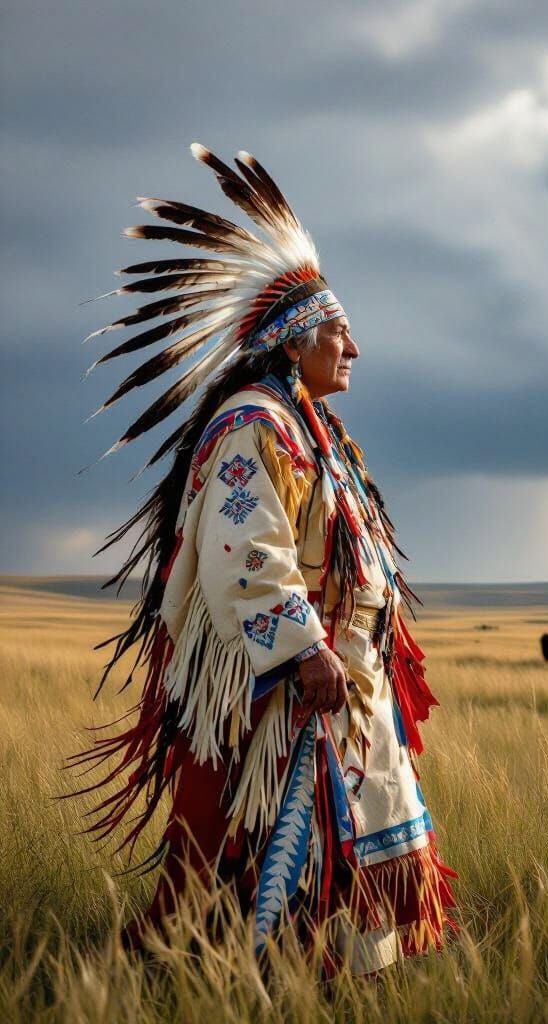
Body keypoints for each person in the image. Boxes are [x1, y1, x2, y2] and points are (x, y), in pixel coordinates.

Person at [70, 144, 455, 974]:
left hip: (333, 672)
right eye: (339, 332)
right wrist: (304, 650)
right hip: (276, 678)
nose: (355, 348)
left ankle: (318, 975)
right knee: (253, 833)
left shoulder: (315, 432)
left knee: (344, 829)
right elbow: (243, 551)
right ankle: (219, 974)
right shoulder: (256, 424)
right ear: (293, 341)